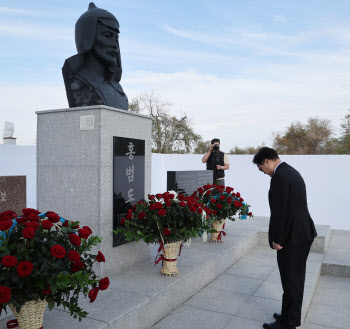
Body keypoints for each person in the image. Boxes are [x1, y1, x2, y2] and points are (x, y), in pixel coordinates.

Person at [253, 147, 317, 329]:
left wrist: (277, 239)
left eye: (261, 168)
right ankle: (290, 314)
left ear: (266, 161)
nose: (263, 173)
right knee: (294, 278)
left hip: (292, 236)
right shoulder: (289, 170)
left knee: (291, 280)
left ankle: (288, 322)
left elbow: (280, 212)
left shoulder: (280, 176)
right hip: (301, 233)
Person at [62, 2, 128, 110]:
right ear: (87, 37)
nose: (115, 44)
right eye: (107, 35)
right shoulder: (80, 82)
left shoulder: (117, 89)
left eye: (116, 38)